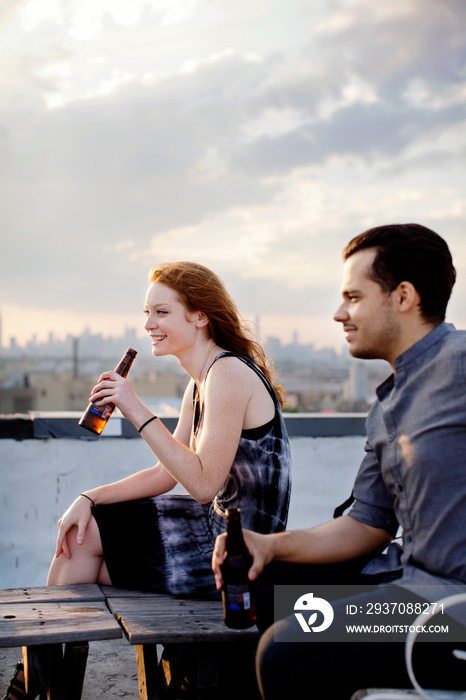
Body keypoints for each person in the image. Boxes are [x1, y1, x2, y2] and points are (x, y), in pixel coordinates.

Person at [3, 261, 291, 700]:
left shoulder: (228, 374)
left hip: (238, 551)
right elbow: (164, 474)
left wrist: (134, 408)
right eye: (147, 312)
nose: (148, 324)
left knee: (85, 553)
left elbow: (202, 485)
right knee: (83, 541)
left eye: (161, 312)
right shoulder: (200, 382)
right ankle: (42, 685)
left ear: (200, 316)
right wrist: (88, 497)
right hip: (208, 533)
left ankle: (36, 689)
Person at [213, 223, 466, 699]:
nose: (338, 314)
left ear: (403, 296)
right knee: (264, 581)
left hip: (448, 613)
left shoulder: (460, 362)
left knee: (286, 652)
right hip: (405, 582)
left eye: (353, 297)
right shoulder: (388, 405)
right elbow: (366, 524)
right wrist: (268, 545)